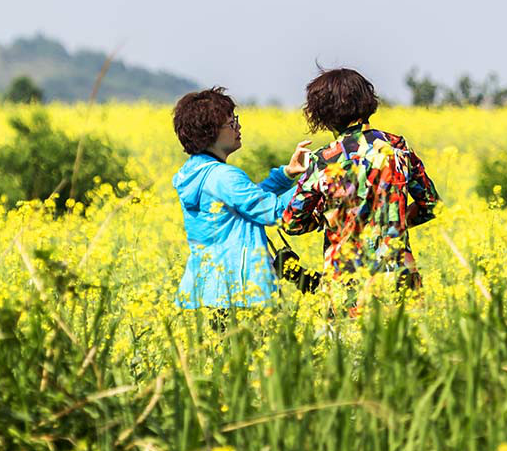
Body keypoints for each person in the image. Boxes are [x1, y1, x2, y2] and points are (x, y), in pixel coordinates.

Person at [281, 68, 440, 296]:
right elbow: (432, 205)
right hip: (400, 279)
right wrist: (391, 224)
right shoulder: (398, 147)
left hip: (347, 284)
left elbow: (292, 223)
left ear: (323, 114)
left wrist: (325, 217)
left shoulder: (323, 160)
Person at [172, 87, 310, 309]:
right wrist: (317, 181)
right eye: (231, 123)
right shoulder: (224, 177)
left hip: (204, 293)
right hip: (239, 294)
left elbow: (246, 203)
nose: (238, 127)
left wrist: (287, 174)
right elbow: (272, 211)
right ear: (211, 132)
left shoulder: (196, 173)